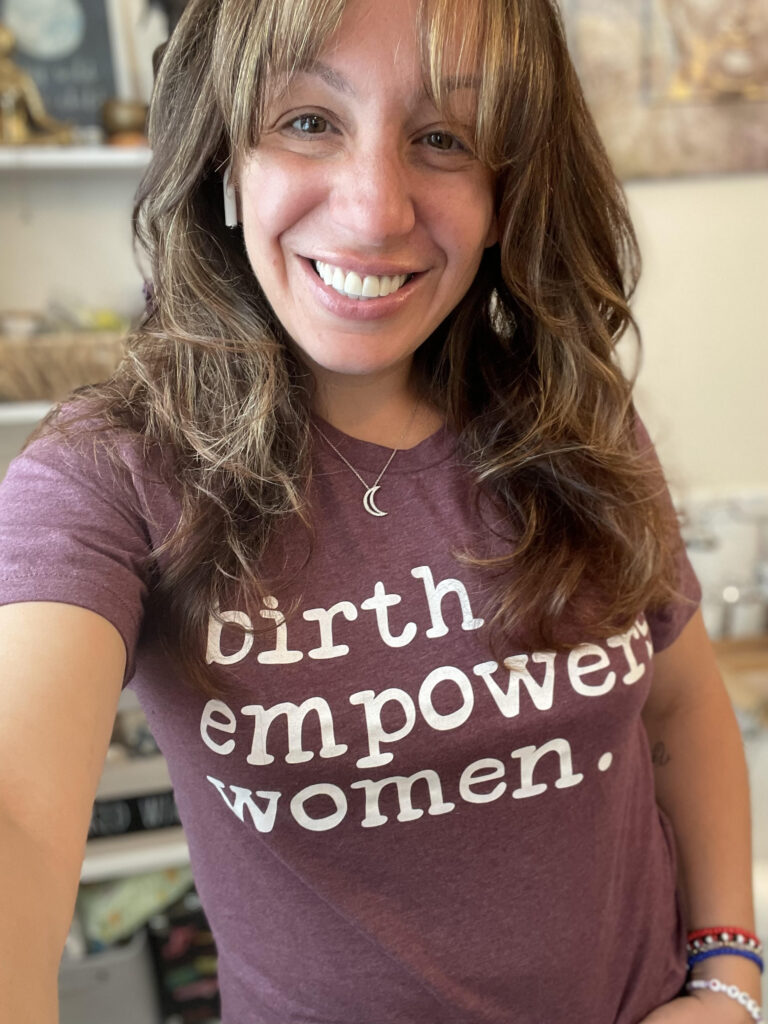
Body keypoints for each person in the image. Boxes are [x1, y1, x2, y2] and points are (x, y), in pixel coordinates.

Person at [0, 0, 760, 1022]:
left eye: (443, 138)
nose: (374, 210)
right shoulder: (111, 474)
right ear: (224, 154)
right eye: (308, 121)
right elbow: (16, 815)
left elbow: (679, 704)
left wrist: (729, 971)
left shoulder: (575, 418)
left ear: (508, 187)